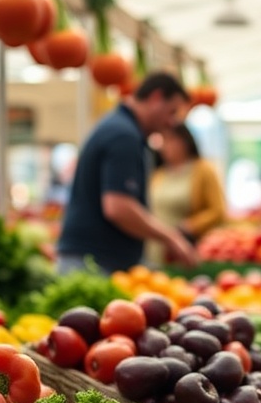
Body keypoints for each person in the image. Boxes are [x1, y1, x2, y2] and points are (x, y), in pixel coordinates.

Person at [57, 72, 197, 275]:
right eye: (172, 112)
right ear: (156, 98)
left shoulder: (119, 127)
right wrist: (171, 237)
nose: (171, 122)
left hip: (89, 259)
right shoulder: (124, 135)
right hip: (93, 264)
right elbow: (118, 207)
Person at [146, 123, 226, 267]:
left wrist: (191, 226)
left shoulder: (203, 170)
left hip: (185, 247)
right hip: (154, 248)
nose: (164, 146)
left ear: (184, 141)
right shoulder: (159, 174)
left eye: (169, 140)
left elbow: (218, 210)